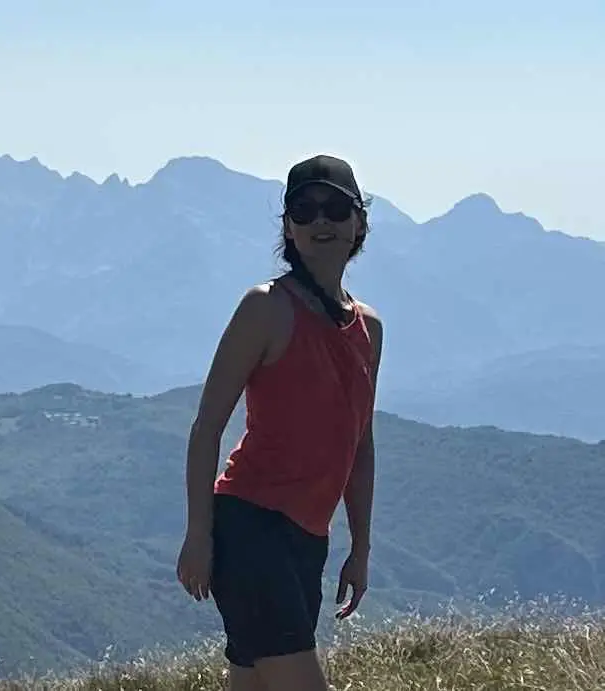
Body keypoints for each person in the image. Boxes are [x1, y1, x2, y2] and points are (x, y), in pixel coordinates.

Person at [176, 154, 383, 691]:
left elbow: (359, 446)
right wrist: (199, 533)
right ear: (288, 227)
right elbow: (207, 427)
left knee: (254, 684)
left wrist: (360, 549)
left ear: (359, 222)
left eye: (335, 208)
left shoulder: (369, 329)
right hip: (250, 528)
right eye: (304, 210)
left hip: (307, 542)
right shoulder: (265, 308)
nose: (321, 221)